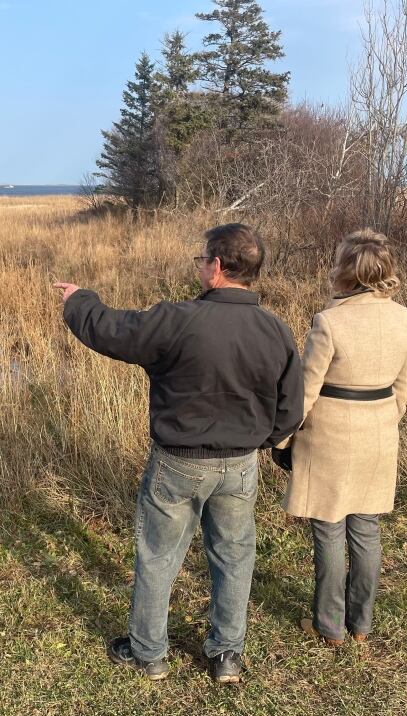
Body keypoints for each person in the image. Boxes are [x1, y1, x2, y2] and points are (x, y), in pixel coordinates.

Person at [54, 223, 303, 683]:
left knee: (158, 555)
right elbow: (292, 407)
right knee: (233, 557)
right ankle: (226, 655)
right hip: (240, 465)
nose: (200, 268)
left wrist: (77, 300)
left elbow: (111, 330)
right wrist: (259, 442)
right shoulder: (275, 330)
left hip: (177, 463)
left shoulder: (178, 319)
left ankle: (149, 653)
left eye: (201, 261)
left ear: (216, 266)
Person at [273, 229, 407, 646]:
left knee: (330, 529)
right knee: (367, 529)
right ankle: (362, 625)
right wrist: (383, 421)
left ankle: (329, 626)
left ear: (346, 272)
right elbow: (404, 388)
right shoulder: (406, 318)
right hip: (379, 431)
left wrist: (283, 441)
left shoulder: (330, 321)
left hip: (331, 436)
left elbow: (305, 390)